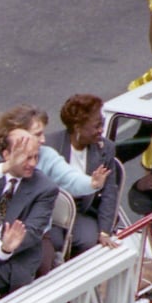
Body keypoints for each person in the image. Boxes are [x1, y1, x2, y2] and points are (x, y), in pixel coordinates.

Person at [0, 130, 58, 298]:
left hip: (11, 258)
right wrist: (6, 167)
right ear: (6, 154)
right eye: (26, 157)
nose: (32, 163)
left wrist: (2, 246)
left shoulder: (45, 188)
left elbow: (33, 231)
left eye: (35, 157)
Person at [44, 94, 121, 258]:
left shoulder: (105, 148)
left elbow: (109, 193)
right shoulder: (50, 145)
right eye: (96, 126)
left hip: (82, 210)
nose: (101, 130)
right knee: (54, 242)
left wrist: (104, 231)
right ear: (77, 127)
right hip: (52, 210)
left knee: (88, 241)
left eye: (102, 123)